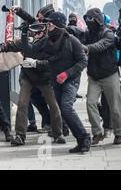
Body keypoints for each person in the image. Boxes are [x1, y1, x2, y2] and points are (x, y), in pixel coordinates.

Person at [22, 12, 91, 153]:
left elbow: (83, 61)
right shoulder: (46, 41)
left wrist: (67, 73)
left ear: (59, 26)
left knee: (66, 108)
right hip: (55, 81)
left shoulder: (72, 41)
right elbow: (30, 51)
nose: (48, 26)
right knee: (63, 112)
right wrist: (24, 34)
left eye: (50, 24)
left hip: (71, 81)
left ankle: (84, 138)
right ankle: (80, 141)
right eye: (47, 24)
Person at [0, 21, 65, 146]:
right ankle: (20, 135)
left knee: (53, 104)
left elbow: (52, 62)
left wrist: (37, 63)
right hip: (28, 77)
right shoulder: (27, 40)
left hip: (44, 78)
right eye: (34, 32)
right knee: (22, 104)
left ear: (44, 32)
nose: (36, 35)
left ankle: (58, 133)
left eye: (39, 32)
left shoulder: (49, 42)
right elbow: (12, 45)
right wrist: (0, 47)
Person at [83, 8, 121, 145]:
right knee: (90, 103)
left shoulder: (108, 33)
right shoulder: (87, 34)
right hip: (94, 76)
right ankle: (97, 133)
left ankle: (119, 133)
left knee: (115, 107)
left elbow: (100, 45)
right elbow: (77, 39)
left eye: (90, 19)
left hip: (110, 75)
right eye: (86, 19)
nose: (88, 22)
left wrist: (87, 48)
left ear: (98, 19)